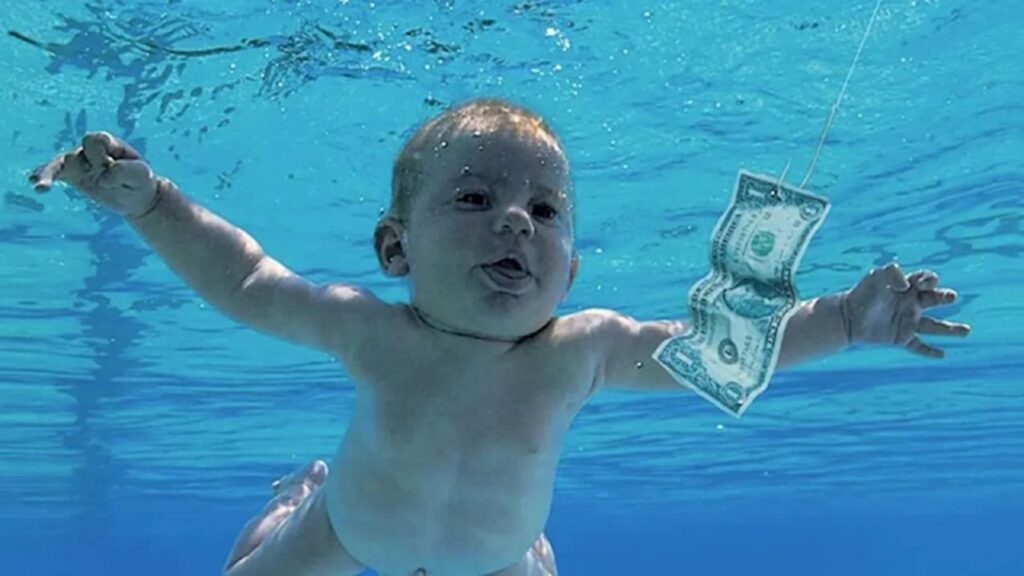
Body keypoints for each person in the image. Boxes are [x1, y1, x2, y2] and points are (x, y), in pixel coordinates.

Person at [29, 99, 970, 576]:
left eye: (545, 211)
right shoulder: (371, 330)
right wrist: (152, 204)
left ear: (571, 271)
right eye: (476, 198)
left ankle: (535, 550)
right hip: (349, 531)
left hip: (493, 561)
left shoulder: (583, 350)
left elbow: (717, 351)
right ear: (396, 249)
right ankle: (296, 496)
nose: (516, 220)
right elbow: (245, 279)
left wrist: (846, 320)